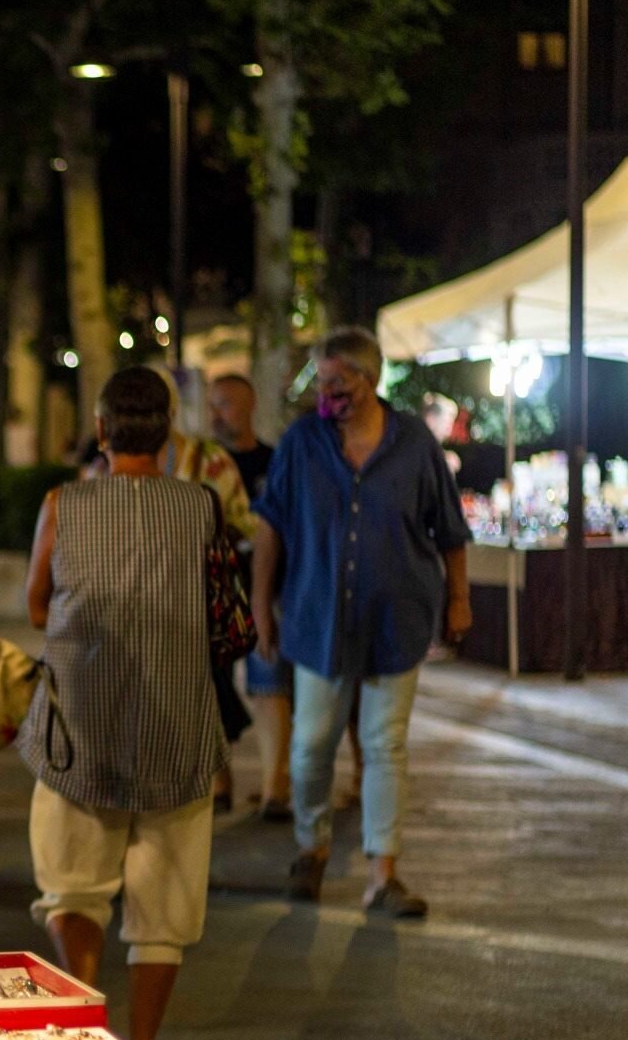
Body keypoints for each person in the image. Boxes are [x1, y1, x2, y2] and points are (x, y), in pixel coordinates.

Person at [19, 366, 223, 1040]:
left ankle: (87, 1030)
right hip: (180, 728)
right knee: (163, 914)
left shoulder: (63, 504)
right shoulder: (200, 505)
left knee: (73, 888)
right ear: (168, 434)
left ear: (102, 431)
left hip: (80, 726)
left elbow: (37, 603)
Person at [252, 327, 473, 919]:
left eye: (337, 382)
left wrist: (458, 599)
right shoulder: (302, 443)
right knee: (310, 746)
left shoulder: (414, 446)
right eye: (321, 382)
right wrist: (259, 606)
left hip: (395, 619)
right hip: (314, 617)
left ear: (369, 379)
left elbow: (449, 531)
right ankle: (310, 847)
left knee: (385, 746)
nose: (326, 393)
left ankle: (383, 874)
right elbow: (269, 526)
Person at [160, 401, 256, 814]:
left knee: (211, 683)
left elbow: (244, 523)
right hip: (152, 598)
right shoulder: (110, 462)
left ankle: (218, 778)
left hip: (204, 593)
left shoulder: (208, 459)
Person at [209, 373, 291, 820]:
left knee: (269, 683)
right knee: (213, 688)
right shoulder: (201, 464)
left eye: (224, 404)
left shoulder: (273, 462)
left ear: (249, 405)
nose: (215, 415)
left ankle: (274, 787)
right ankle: (221, 784)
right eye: (211, 405)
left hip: (264, 589)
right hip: (215, 594)